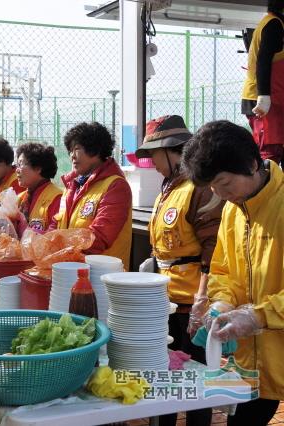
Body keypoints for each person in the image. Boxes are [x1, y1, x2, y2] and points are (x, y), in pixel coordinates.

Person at [182, 120, 284, 426]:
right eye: (212, 187)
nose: (220, 194)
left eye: (225, 184)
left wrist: (257, 316)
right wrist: (222, 303)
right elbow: (224, 271)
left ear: (253, 164)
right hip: (252, 362)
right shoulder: (232, 210)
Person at [135, 116, 223, 426]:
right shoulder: (169, 188)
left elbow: (213, 247)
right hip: (166, 300)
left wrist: (202, 299)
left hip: (191, 305)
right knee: (167, 376)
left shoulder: (199, 188)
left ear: (172, 151)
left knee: (196, 381)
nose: (151, 163)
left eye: (154, 155)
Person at [54, 122, 132, 268]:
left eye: (76, 149)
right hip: (69, 270)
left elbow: (100, 236)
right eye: (70, 151)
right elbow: (58, 223)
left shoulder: (115, 186)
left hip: (102, 277)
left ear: (95, 150)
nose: (72, 156)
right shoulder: (72, 185)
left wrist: (58, 245)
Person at [241, 0, 284, 165]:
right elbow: (263, 61)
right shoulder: (273, 24)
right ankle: (265, 190)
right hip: (263, 102)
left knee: (277, 149)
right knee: (270, 153)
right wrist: (263, 96)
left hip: (275, 101)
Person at [14, 142, 62, 235]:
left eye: (21, 164)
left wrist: (26, 231)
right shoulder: (20, 198)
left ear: (38, 168)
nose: (17, 170)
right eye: (17, 165)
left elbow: (54, 236)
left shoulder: (56, 197)